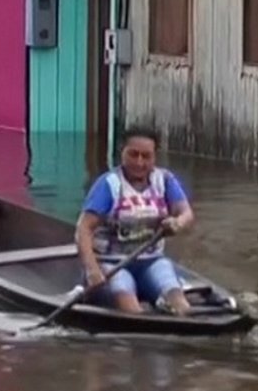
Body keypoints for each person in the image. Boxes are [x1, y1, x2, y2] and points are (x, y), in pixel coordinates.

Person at [75, 126, 194, 315]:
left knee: (179, 303)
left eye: (146, 156)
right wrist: (92, 271)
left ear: (155, 157)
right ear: (122, 154)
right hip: (111, 263)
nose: (139, 162)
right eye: (133, 155)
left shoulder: (164, 180)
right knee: (130, 308)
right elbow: (84, 229)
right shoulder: (109, 184)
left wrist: (177, 223)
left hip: (152, 260)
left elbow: (186, 213)